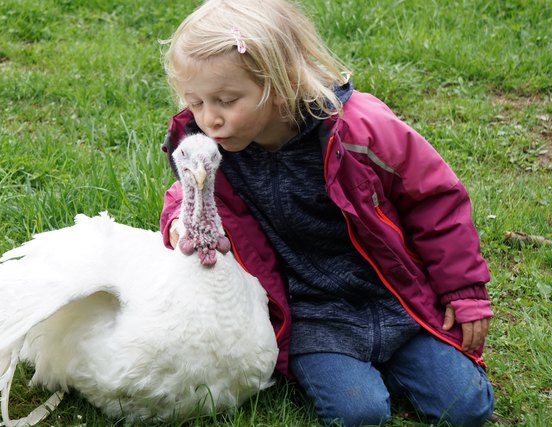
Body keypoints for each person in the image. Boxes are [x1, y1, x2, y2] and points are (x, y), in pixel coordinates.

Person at [158, 0, 495, 425]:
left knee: (467, 409)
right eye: (196, 102)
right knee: (359, 414)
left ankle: (406, 361)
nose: (209, 119)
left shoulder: (360, 131)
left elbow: (436, 201)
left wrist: (464, 293)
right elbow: (187, 190)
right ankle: (351, 369)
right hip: (311, 313)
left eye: (226, 100)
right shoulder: (218, 151)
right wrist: (176, 217)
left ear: (278, 85)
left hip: (395, 299)